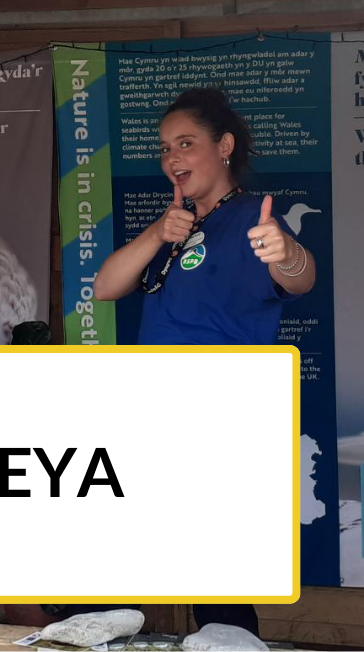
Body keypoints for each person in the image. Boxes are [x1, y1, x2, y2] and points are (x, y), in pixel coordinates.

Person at [94, 87, 316, 635]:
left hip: (218, 416)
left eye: (186, 143)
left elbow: (301, 277)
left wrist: (286, 253)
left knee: (217, 573)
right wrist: (159, 230)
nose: (172, 158)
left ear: (224, 147)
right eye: (165, 147)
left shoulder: (252, 220)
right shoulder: (177, 223)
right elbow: (105, 287)